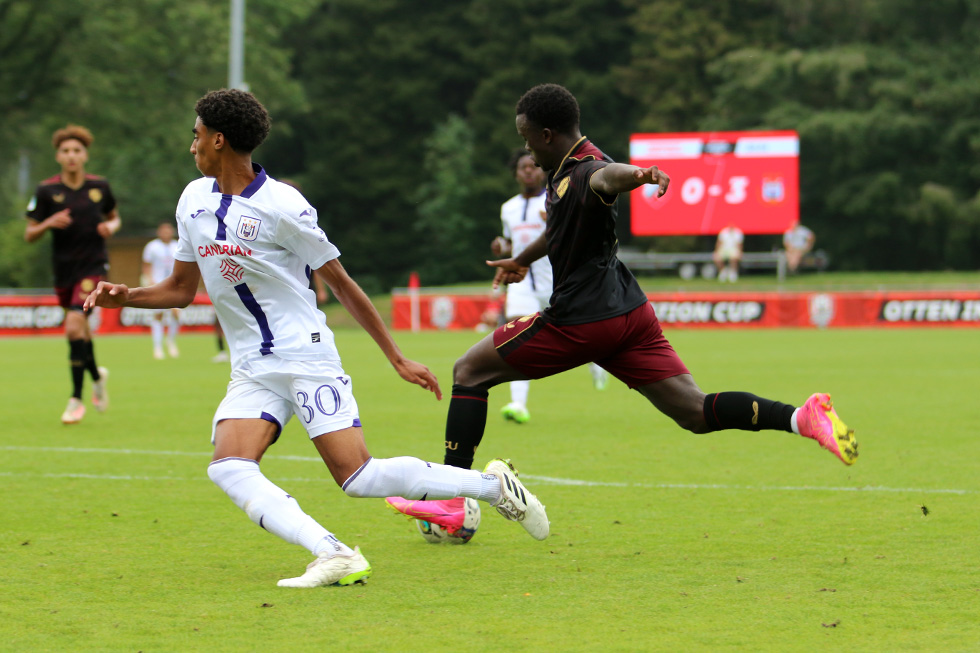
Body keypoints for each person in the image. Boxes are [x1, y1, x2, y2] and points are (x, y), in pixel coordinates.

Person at [84, 89, 548, 588]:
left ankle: (490, 486)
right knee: (228, 466)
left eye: (195, 135)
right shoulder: (192, 199)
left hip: (304, 355)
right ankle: (332, 552)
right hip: (252, 367)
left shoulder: (283, 205)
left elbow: (343, 286)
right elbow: (179, 290)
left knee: (358, 478)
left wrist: (395, 356)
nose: (190, 145)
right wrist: (125, 296)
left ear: (219, 140)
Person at [387, 83, 857, 540]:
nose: (526, 149)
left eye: (526, 138)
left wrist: (643, 175)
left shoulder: (590, 169)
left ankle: (451, 497)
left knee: (468, 371)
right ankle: (802, 417)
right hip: (630, 316)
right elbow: (562, 228)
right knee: (694, 410)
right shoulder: (565, 172)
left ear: (547, 135)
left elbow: (610, 177)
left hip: (582, 321)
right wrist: (521, 261)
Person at [493, 150, 609, 424]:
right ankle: (518, 404)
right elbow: (510, 243)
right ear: (516, 173)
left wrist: (557, 223)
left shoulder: (555, 198)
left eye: (533, 166)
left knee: (579, 331)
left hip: (556, 279)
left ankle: (596, 361)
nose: (529, 171)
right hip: (521, 283)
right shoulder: (508, 208)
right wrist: (501, 247)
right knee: (515, 337)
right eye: (523, 167)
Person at [24, 124, 118, 424]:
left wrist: (110, 228)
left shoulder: (100, 187)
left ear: (85, 155)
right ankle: (97, 377)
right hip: (63, 270)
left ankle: (76, 399)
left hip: (93, 267)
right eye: (66, 151)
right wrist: (48, 222)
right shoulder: (46, 190)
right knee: (81, 332)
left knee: (73, 327)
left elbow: (114, 218)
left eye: (77, 150)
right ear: (58, 156)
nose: (71, 155)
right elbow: (29, 233)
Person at [142, 222, 180, 359]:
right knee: (158, 315)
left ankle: (171, 341)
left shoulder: (177, 245)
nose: (166, 233)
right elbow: (146, 266)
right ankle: (157, 347)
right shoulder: (152, 247)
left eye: (168, 231)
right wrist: (149, 281)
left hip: (174, 285)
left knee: (176, 313)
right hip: (157, 284)